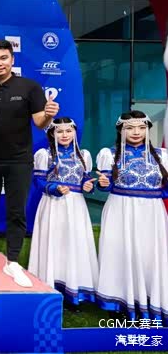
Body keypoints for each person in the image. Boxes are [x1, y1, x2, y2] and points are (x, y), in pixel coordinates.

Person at [0, 39, 59, 287]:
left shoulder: (30, 87)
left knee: (16, 212)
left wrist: (48, 115)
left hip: (19, 161)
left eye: (3, 58)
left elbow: (40, 123)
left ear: (12, 59)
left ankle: (12, 262)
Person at [95, 110, 168, 321]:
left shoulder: (162, 156)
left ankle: (152, 303)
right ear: (121, 130)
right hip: (120, 211)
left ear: (148, 130)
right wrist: (102, 183)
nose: (136, 132)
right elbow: (104, 185)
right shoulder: (109, 154)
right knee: (120, 254)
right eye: (130, 128)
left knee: (150, 257)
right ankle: (119, 304)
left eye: (141, 128)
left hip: (152, 213)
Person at [28, 117, 98, 308]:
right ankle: (50, 286)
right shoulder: (45, 155)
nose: (65, 135)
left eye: (68, 131)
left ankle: (74, 291)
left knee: (74, 244)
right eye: (60, 131)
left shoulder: (83, 155)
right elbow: (39, 181)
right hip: (53, 204)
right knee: (54, 242)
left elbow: (86, 180)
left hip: (76, 206)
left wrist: (88, 185)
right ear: (52, 134)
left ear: (74, 132)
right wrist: (54, 188)